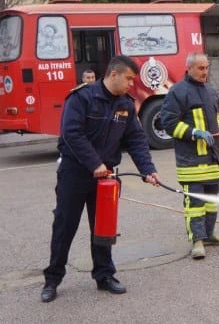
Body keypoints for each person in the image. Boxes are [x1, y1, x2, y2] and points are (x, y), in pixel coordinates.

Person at [42, 55, 161, 303]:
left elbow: (136, 140)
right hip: (75, 174)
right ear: (113, 74)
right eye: (129, 78)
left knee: (103, 228)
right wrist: (94, 163)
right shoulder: (82, 98)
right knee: (65, 227)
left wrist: (147, 169)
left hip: (105, 178)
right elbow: (72, 134)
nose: (132, 84)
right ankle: (52, 279)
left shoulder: (126, 105)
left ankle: (104, 275)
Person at [160, 52, 219, 260]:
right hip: (191, 160)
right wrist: (194, 133)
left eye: (207, 67)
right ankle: (197, 240)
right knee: (195, 203)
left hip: (212, 158)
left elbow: (214, 116)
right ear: (190, 68)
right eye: (201, 68)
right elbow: (168, 123)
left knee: (211, 200)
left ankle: (209, 234)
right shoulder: (177, 92)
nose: (206, 72)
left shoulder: (210, 91)